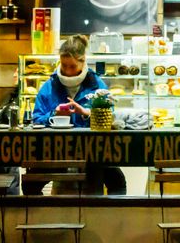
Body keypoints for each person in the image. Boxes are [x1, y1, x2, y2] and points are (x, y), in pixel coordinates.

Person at [27, 35, 125, 195]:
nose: (67, 71)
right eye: (64, 65)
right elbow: (36, 119)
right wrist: (54, 115)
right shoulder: (49, 86)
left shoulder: (97, 85)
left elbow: (110, 118)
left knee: (117, 181)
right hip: (57, 151)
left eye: (72, 66)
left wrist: (86, 113)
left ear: (83, 61)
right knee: (31, 183)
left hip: (92, 151)